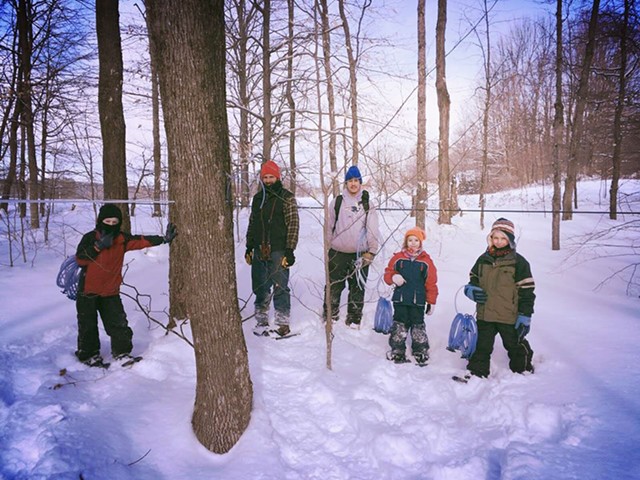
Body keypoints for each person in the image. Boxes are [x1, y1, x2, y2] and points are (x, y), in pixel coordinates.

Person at [75, 203, 177, 367]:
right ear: (101, 221)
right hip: (88, 291)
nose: (111, 225)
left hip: (110, 291)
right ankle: (89, 355)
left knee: (119, 324)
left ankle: (122, 353)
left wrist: (163, 239)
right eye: (107, 222)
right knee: (88, 325)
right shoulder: (90, 237)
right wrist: (98, 246)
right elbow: (80, 259)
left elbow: (141, 241)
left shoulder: (121, 239)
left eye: (114, 222)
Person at [463, 217, 535, 378]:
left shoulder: (519, 262)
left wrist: (525, 315)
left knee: (513, 344)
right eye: (495, 237)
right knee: (482, 345)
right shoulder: (483, 259)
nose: (499, 241)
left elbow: (527, 291)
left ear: (510, 240)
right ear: (490, 238)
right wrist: (470, 289)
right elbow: (473, 277)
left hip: (508, 315)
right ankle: (477, 372)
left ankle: (522, 369)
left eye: (503, 238)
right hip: (485, 313)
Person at [245, 160, 299, 337]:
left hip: (279, 248)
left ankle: (282, 322)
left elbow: (293, 224)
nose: (268, 180)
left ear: (277, 177)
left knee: (280, 286)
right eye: (265, 177)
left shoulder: (287, 197)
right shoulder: (258, 198)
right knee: (260, 285)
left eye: (271, 177)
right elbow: (252, 223)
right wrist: (249, 246)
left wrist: (290, 250)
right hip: (260, 248)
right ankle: (261, 320)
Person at [323, 165, 380, 328]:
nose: (353, 184)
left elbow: (372, 228)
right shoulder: (337, 201)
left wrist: (371, 252)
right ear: (346, 183)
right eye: (350, 181)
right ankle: (330, 315)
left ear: (360, 182)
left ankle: (354, 318)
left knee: (357, 287)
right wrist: (328, 247)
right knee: (333, 285)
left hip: (360, 254)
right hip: (338, 252)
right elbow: (329, 225)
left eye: (356, 180)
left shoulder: (367, 204)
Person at [383, 227, 438, 364]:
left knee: (417, 324)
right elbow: (388, 273)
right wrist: (393, 277)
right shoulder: (398, 258)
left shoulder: (426, 261)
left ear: (420, 242)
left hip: (418, 300)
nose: (413, 243)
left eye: (416, 240)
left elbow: (431, 282)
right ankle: (397, 349)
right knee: (399, 324)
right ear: (406, 242)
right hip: (400, 299)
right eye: (410, 240)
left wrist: (431, 301)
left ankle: (420, 349)